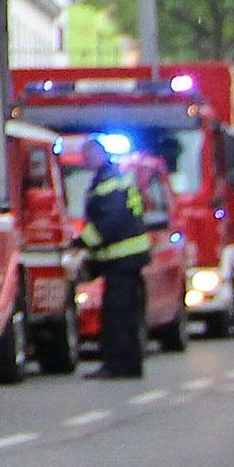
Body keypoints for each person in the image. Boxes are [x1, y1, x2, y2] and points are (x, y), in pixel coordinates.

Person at [80, 156, 155, 378]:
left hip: (121, 259)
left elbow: (108, 224)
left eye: (87, 155)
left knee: (116, 315)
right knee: (128, 315)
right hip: (129, 259)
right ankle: (130, 364)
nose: (85, 160)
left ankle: (116, 365)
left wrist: (80, 242)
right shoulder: (116, 179)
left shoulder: (107, 184)